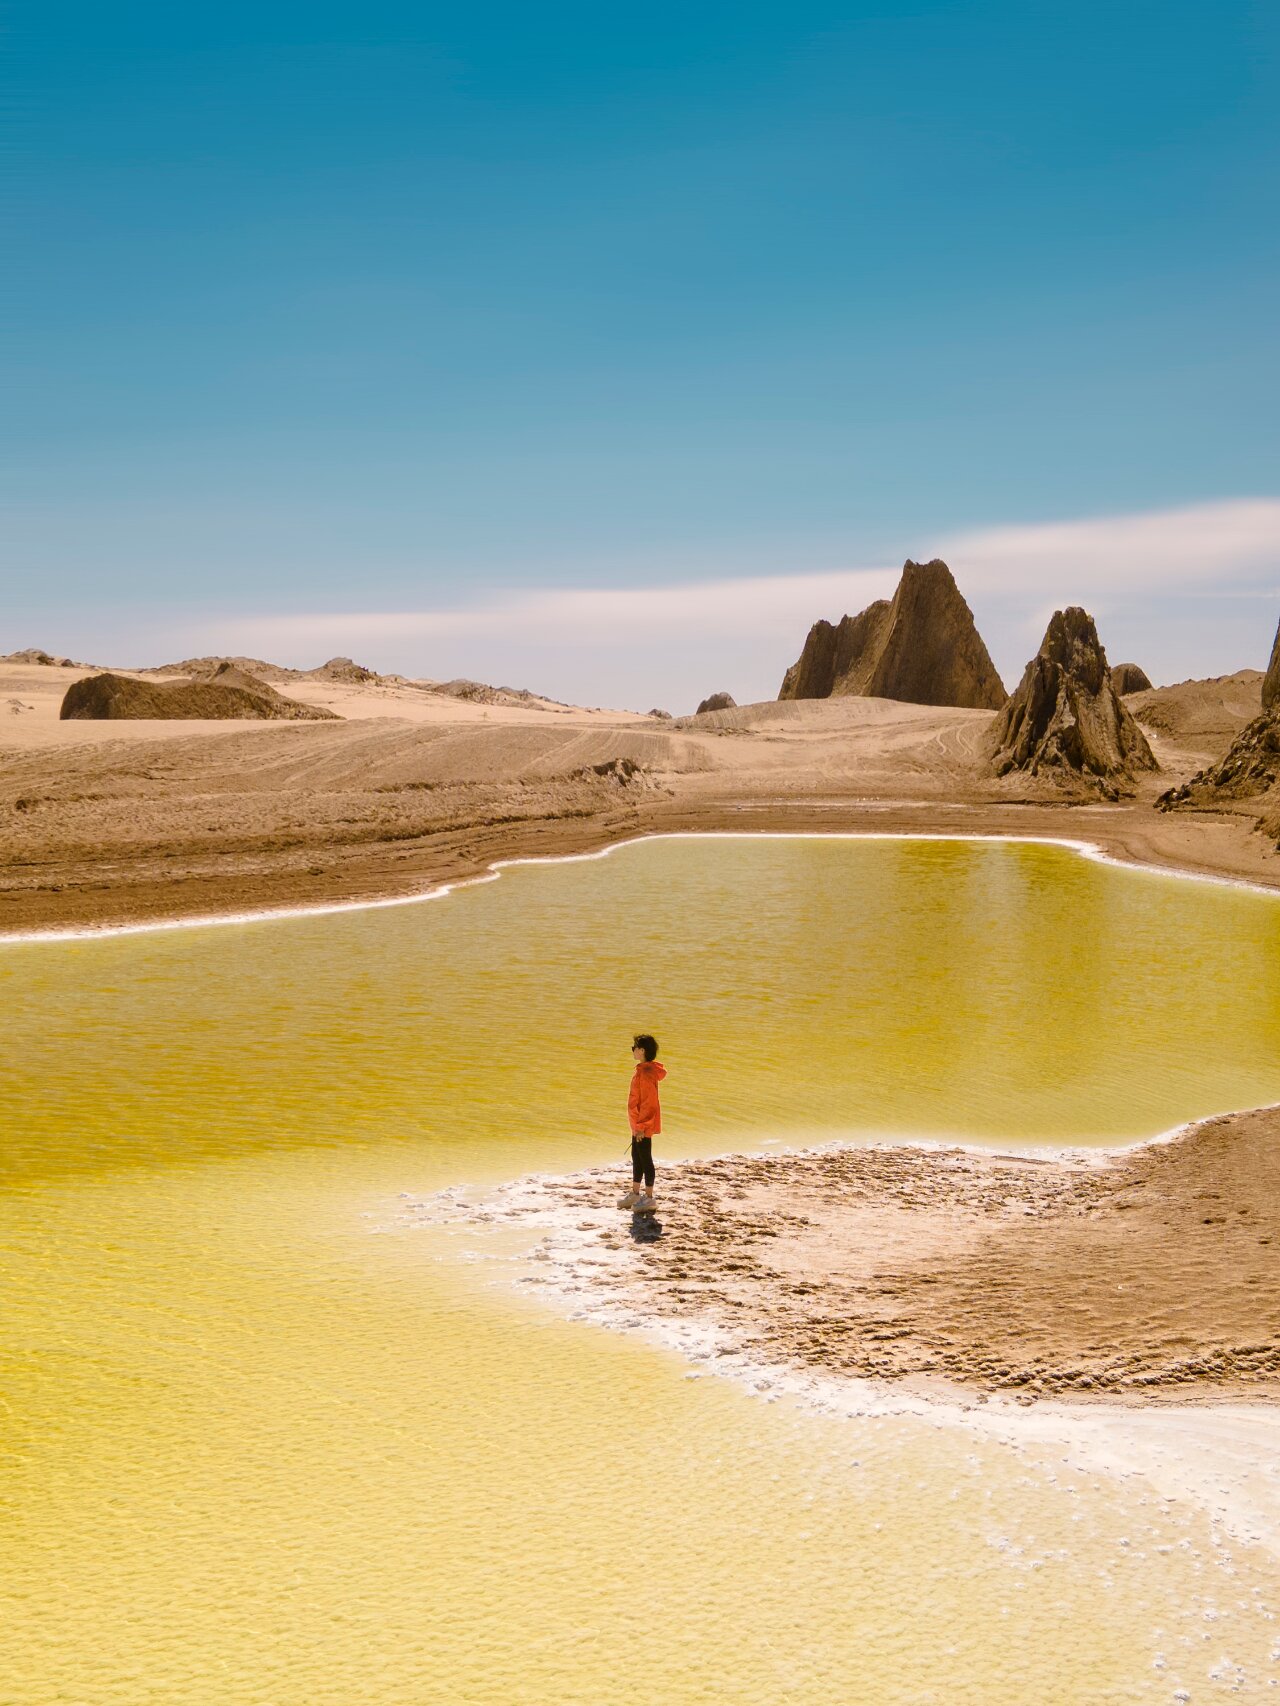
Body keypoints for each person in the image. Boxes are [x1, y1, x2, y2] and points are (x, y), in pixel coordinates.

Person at [621, 1033, 666, 1210]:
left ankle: (649, 1198)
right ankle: (635, 1193)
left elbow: (649, 1103)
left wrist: (642, 1127)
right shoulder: (642, 1070)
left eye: (634, 1048)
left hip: (642, 1125)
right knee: (636, 1157)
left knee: (645, 1159)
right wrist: (636, 1126)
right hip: (636, 1124)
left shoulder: (647, 1073)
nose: (632, 1050)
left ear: (642, 1051)